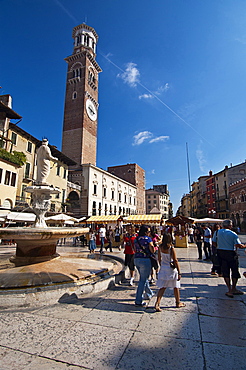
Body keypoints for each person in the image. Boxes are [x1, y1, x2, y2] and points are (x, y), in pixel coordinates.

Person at [212, 219, 246, 298]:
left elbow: (213, 242)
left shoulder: (217, 232)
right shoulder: (233, 233)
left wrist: (219, 246)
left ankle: (229, 289)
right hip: (231, 253)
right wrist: (244, 246)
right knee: (234, 271)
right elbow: (238, 245)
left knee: (225, 271)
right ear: (230, 226)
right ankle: (234, 288)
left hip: (221, 253)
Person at [154, 233, 185, 312]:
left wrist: (162, 265)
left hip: (163, 268)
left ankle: (157, 303)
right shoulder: (171, 248)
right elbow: (175, 260)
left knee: (163, 287)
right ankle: (178, 302)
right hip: (171, 269)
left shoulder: (160, 247)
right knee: (176, 286)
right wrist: (179, 271)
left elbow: (159, 259)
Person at [134, 225, 154, 306]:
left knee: (143, 277)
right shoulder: (147, 239)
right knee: (142, 280)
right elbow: (152, 247)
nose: (149, 233)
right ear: (145, 232)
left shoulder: (136, 239)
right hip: (145, 260)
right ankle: (138, 300)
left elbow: (134, 249)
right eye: (148, 231)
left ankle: (149, 293)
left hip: (136, 259)